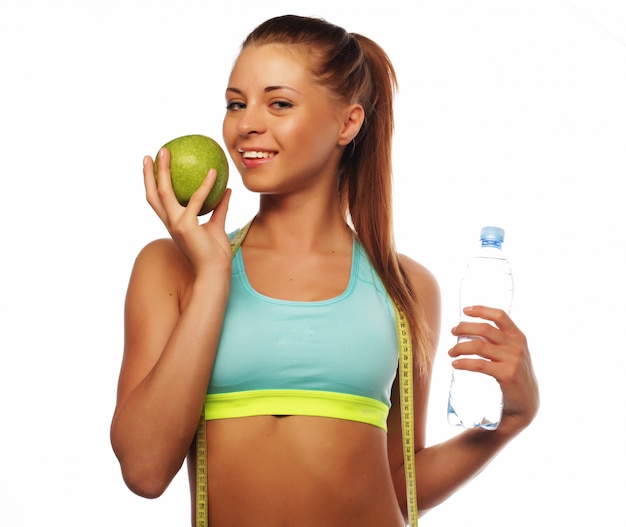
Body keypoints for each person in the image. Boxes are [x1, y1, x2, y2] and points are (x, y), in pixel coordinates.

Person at [110, 14, 539, 527]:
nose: (246, 124)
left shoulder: (404, 288)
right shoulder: (172, 268)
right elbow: (145, 470)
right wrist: (212, 280)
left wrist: (512, 420)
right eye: (235, 103)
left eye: (280, 103)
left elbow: (401, 485)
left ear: (348, 123)